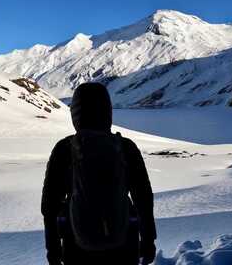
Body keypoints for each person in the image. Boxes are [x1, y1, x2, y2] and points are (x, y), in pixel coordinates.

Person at [41, 82, 157, 265]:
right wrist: (149, 241)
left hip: (76, 244)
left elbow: (49, 206)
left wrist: (53, 249)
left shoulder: (64, 149)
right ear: (107, 111)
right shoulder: (126, 147)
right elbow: (143, 199)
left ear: (75, 115)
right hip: (124, 242)